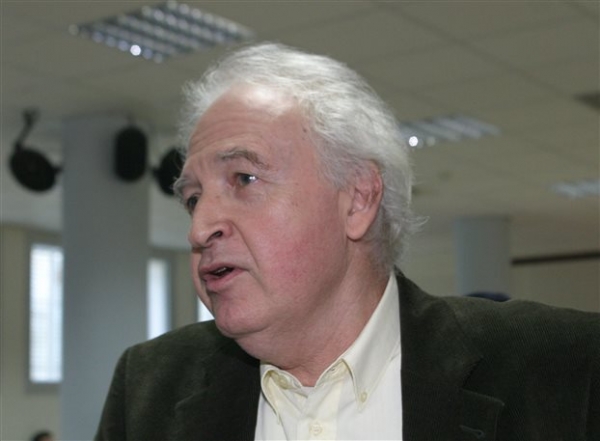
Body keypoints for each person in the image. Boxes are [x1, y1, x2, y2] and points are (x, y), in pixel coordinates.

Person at [95, 43, 599, 440]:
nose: (200, 227)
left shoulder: (564, 368)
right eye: (193, 198)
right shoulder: (149, 389)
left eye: (244, 179)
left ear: (357, 200)